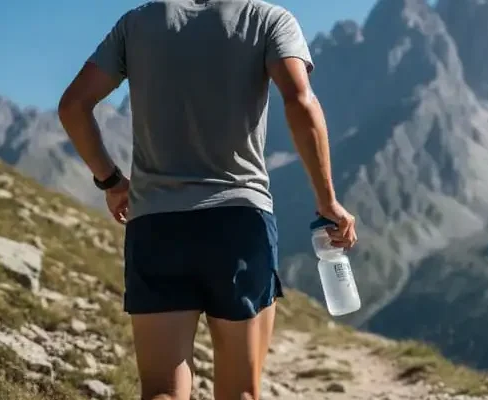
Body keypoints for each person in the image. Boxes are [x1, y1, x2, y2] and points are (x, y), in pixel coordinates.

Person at [57, 1, 357, 399]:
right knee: (240, 393)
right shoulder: (267, 19)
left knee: (163, 390)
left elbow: (73, 106)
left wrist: (112, 181)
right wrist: (327, 200)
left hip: (157, 225)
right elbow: (300, 101)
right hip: (239, 224)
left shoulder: (137, 23)